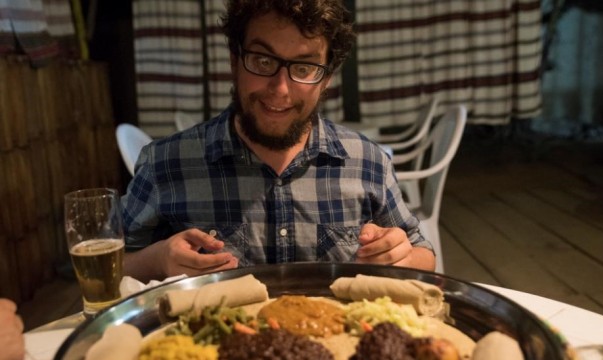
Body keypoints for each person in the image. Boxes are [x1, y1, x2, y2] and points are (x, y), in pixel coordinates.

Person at [122, 0, 436, 283]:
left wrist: (400, 255)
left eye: (304, 67)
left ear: (325, 78)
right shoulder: (164, 163)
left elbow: (424, 253)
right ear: (235, 60)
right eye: (262, 60)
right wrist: (159, 259)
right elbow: (110, 265)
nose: (280, 89)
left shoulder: (368, 161)